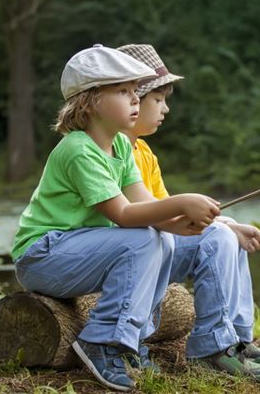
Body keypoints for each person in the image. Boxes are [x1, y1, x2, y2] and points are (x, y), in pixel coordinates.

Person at [11, 44, 220, 392]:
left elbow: (143, 204)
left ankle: (131, 339)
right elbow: (124, 215)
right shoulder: (79, 149)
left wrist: (177, 223)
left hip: (77, 252)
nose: (136, 98)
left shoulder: (122, 147)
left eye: (134, 90)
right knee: (141, 238)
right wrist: (182, 201)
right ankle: (101, 340)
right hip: (42, 257)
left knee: (161, 238)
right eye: (123, 91)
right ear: (90, 101)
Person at [117, 44, 260, 382]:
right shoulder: (110, 150)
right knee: (217, 236)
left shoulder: (143, 152)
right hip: (131, 256)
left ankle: (237, 337)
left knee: (226, 233)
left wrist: (229, 224)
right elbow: (138, 216)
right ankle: (211, 349)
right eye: (157, 99)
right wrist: (217, 228)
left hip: (156, 248)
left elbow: (168, 216)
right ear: (130, 98)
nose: (165, 109)